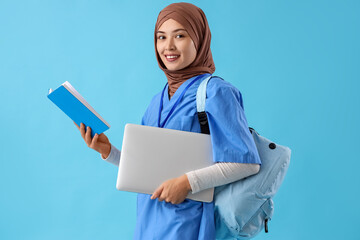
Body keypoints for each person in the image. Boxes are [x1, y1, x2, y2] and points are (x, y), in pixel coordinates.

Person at [75, 2, 261, 239]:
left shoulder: (216, 92)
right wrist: (109, 151)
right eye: (161, 37)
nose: (168, 46)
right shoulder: (157, 100)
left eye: (180, 35)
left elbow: (247, 163)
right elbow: (149, 169)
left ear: (199, 39)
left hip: (188, 224)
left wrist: (187, 183)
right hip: (149, 222)